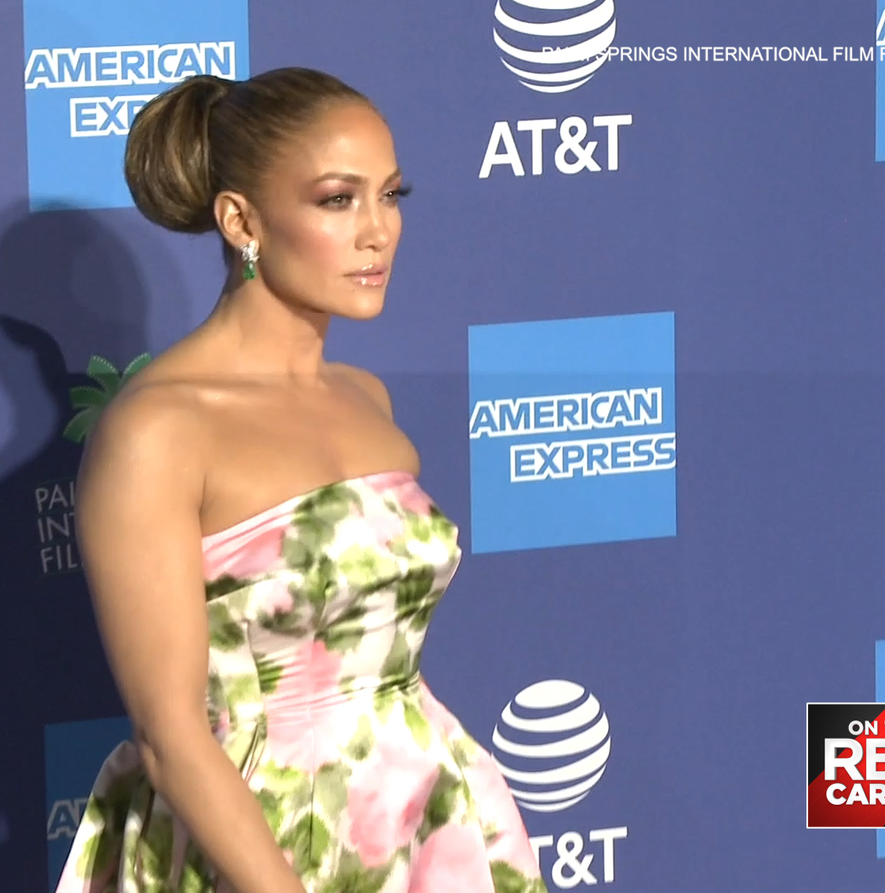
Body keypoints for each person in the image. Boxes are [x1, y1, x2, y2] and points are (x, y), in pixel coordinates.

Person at [53, 67, 547, 893]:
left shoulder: (366, 399)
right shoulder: (156, 431)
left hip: (427, 820)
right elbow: (171, 737)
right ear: (241, 220)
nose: (378, 231)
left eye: (391, 195)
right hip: (257, 843)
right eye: (337, 200)